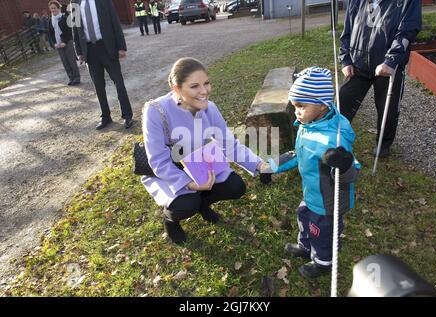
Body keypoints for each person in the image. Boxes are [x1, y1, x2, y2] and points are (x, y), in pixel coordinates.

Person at [142, 57, 268, 244]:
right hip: (170, 171)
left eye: (206, 83)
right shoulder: (155, 111)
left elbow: (229, 144)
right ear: (176, 88)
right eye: (194, 86)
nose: (204, 91)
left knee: (236, 186)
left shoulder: (210, 108)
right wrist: (190, 184)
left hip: (200, 165)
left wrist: (259, 164)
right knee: (188, 204)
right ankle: (171, 219)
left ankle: (203, 204)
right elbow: (158, 161)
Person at [267, 67, 360, 278]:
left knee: (323, 232)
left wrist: (343, 164)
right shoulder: (308, 125)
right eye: (294, 106)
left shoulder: (332, 139)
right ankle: (305, 246)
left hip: (327, 201)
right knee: (303, 216)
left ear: (321, 105)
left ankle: (323, 261)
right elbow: (299, 154)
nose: (296, 112)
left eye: (301, 106)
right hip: (311, 193)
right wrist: (271, 167)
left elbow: (351, 172)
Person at [339, 0, 421, 158]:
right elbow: (347, 28)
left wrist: (391, 60)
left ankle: (383, 145)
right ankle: (334, 139)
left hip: (388, 66)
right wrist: (345, 59)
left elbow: (407, 31)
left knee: (388, 108)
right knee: (343, 101)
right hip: (358, 62)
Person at [71, 0, 134, 130]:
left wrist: (121, 46)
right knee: (98, 85)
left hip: (107, 47)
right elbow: (74, 29)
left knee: (118, 82)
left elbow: (114, 22)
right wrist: (78, 52)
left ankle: (127, 116)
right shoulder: (75, 4)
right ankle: (105, 116)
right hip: (90, 50)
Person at [48, 0, 81, 86]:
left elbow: (70, 31)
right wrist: (54, 43)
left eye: (54, 8)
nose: (53, 10)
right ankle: (71, 78)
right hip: (58, 44)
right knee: (65, 62)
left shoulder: (65, 17)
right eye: (51, 8)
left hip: (67, 43)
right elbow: (51, 33)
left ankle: (76, 78)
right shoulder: (50, 20)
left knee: (71, 61)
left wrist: (65, 42)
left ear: (59, 8)